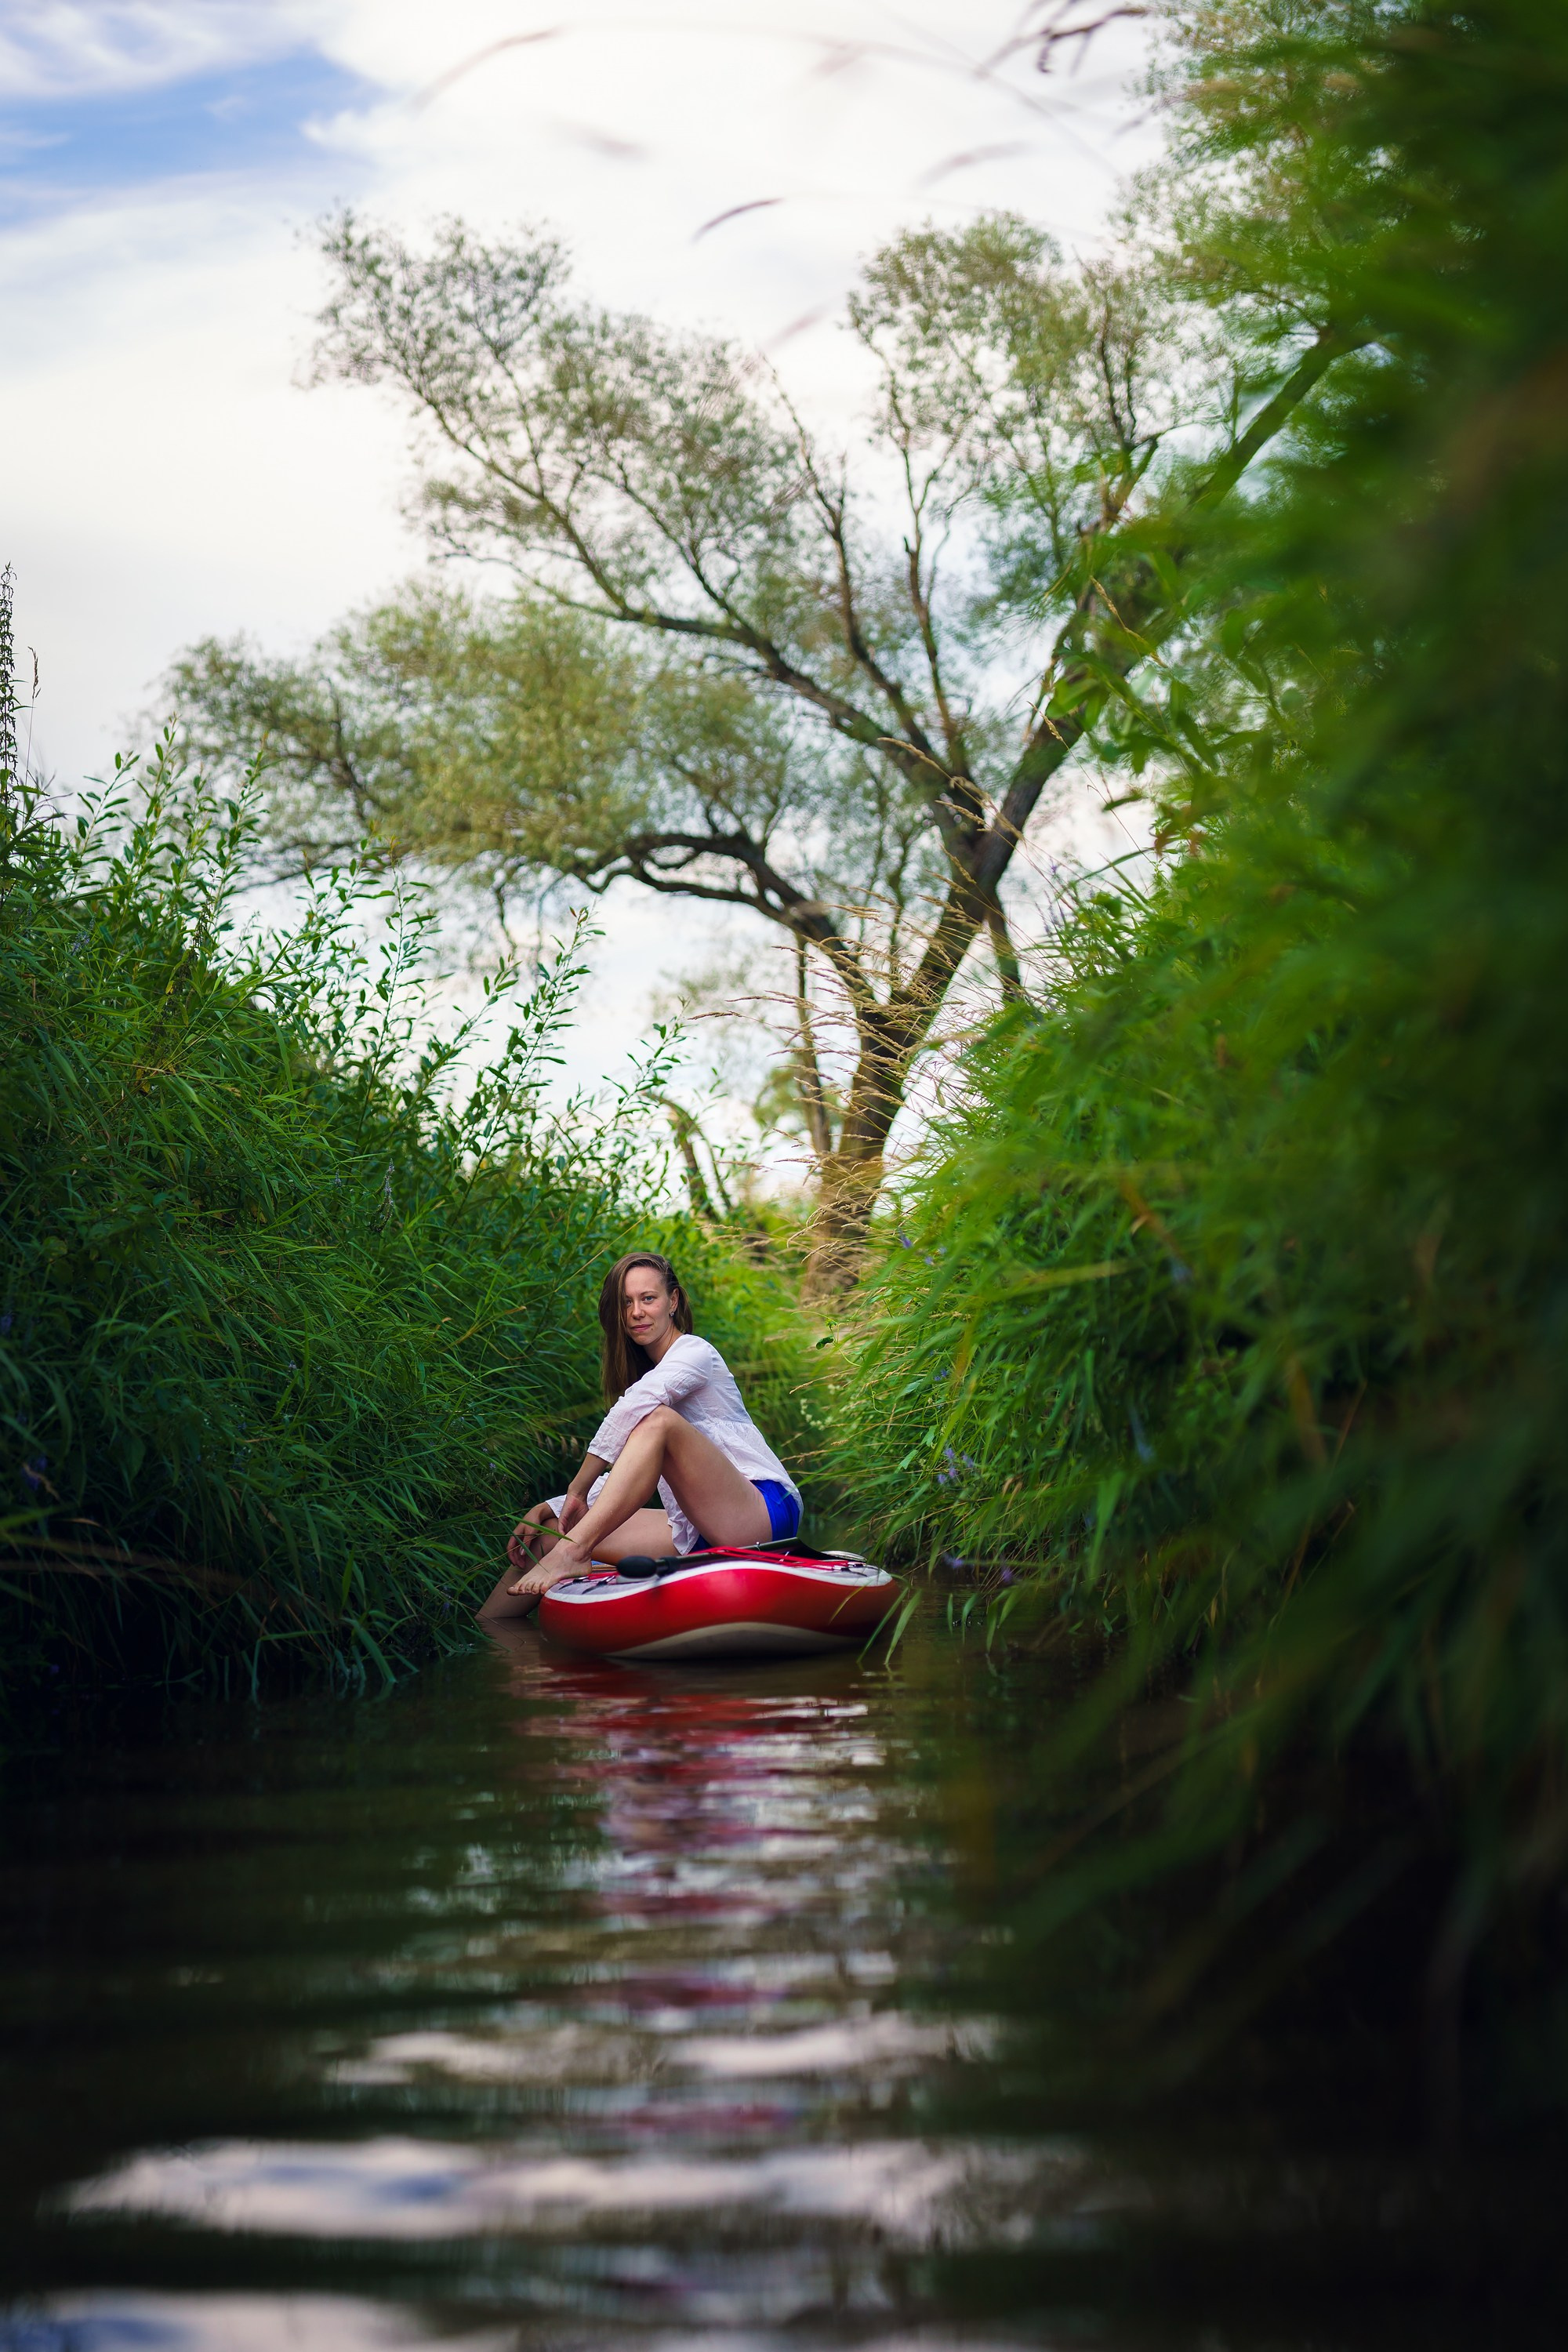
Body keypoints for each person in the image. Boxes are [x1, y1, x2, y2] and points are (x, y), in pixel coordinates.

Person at [476, 1250, 802, 1619]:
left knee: (656, 1420)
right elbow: (627, 1470)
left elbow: (637, 1409)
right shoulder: (648, 1375)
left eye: (648, 1298)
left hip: (760, 1512)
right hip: (698, 1528)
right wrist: (552, 1506)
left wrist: (577, 1489)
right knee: (551, 1533)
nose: (636, 1312)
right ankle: (487, 1635)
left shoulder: (696, 1354)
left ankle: (575, 1554)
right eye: (626, 1302)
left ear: (672, 1301)